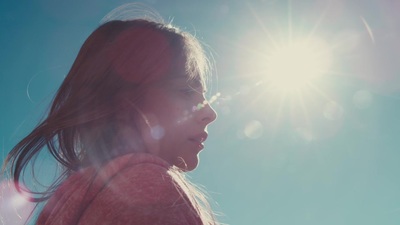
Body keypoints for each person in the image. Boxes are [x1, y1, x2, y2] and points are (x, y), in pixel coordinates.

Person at [2, 14, 219, 225]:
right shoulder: (149, 192)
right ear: (121, 102)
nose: (210, 113)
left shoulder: (72, 201)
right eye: (185, 91)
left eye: (203, 95)